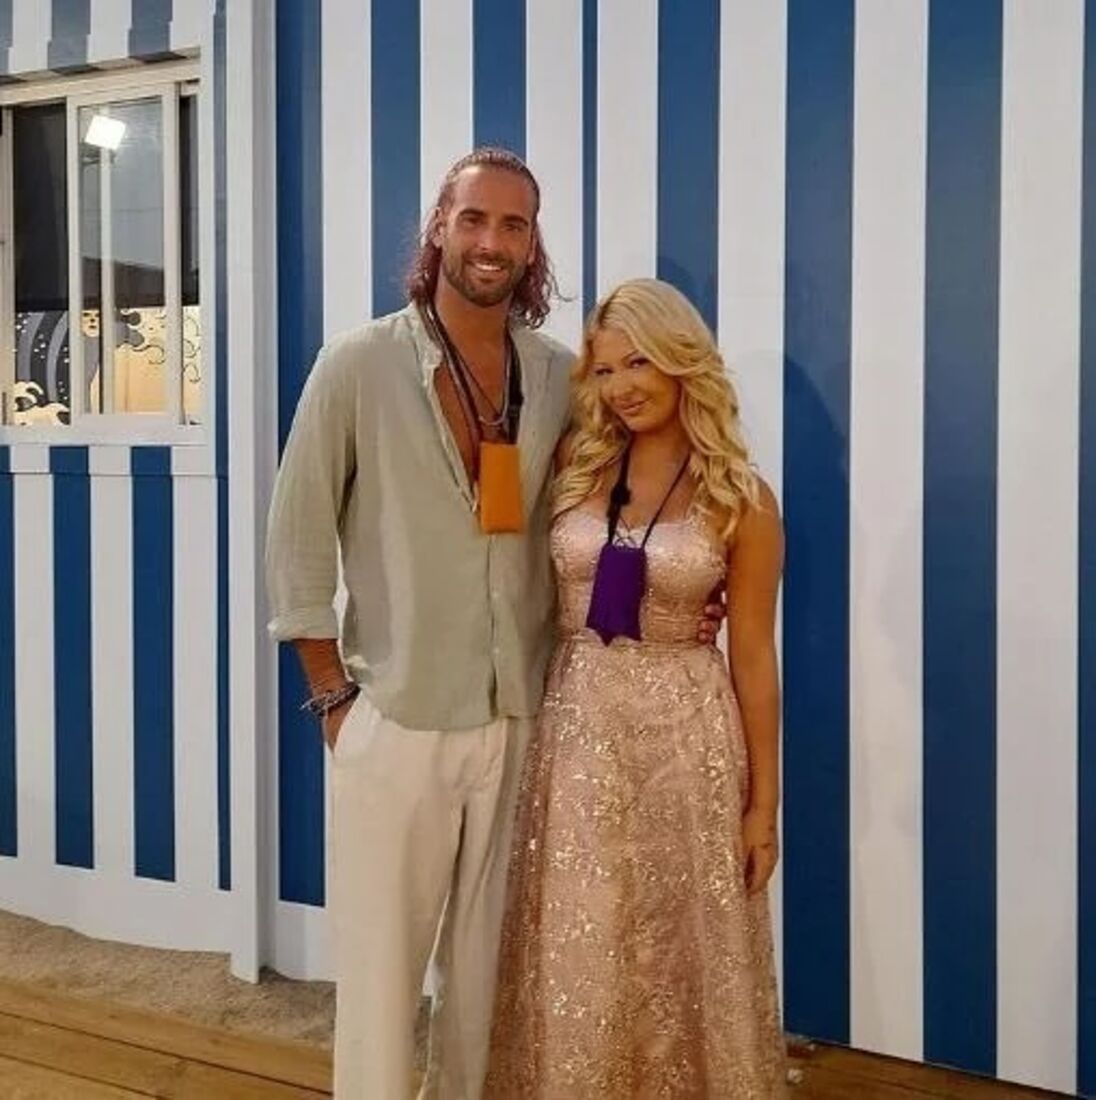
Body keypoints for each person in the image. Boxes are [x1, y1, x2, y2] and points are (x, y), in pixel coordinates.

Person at [266, 149, 724, 1098]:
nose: (492, 241)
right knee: (381, 983)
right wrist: (333, 700)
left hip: (525, 716)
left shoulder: (558, 375)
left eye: (514, 224)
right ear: (439, 226)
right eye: (474, 218)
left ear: (531, 244)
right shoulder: (356, 365)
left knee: (489, 981)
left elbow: (617, 493)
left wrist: (691, 575)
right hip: (397, 712)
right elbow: (296, 537)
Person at [485, 278, 787, 1098]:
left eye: (640, 362)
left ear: (684, 360)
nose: (622, 385)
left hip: (688, 739)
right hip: (578, 729)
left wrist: (762, 807)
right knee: (583, 927)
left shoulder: (743, 499)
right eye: (607, 368)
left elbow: (753, 658)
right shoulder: (574, 466)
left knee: (679, 937)